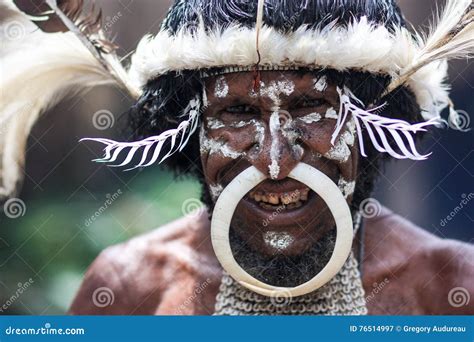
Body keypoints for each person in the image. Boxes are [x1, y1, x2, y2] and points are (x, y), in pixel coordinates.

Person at [2, 0, 473, 315]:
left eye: (312, 108)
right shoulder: (130, 290)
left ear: (374, 122)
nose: (274, 162)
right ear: (188, 133)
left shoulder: (449, 290)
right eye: (238, 113)